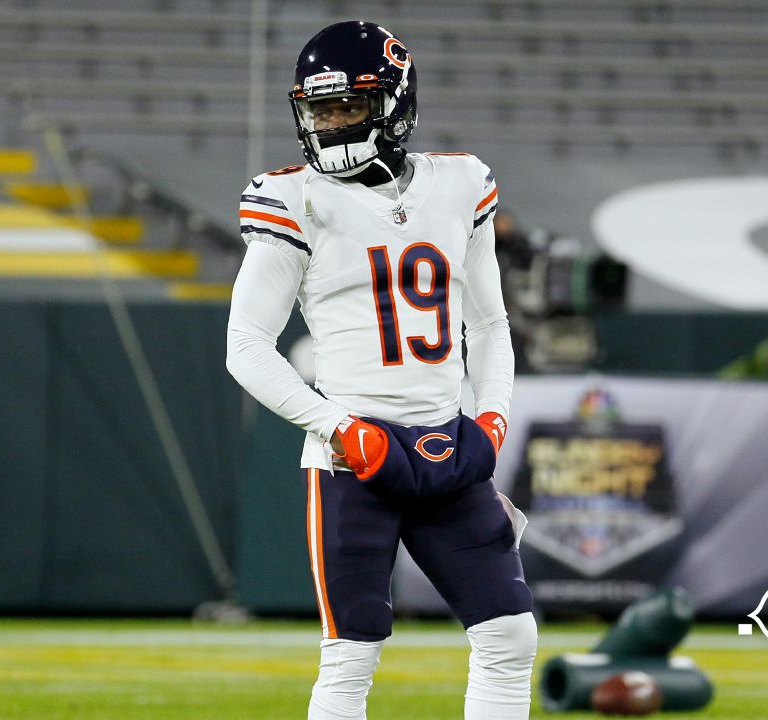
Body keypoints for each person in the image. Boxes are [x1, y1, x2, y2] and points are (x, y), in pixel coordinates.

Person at [225, 21, 537, 720]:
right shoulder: (291, 199)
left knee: (510, 633)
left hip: (445, 443)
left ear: (394, 103)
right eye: (321, 109)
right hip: (353, 457)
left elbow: (489, 324)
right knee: (353, 653)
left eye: (350, 107)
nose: (333, 124)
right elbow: (245, 344)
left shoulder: (460, 183)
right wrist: (337, 428)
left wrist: (492, 416)